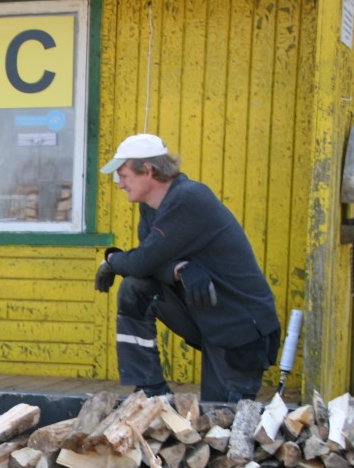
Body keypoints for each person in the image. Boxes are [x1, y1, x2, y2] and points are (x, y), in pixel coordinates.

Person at [95, 133, 281, 402]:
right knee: (136, 288)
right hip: (206, 313)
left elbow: (142, 261)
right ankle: (151, 391)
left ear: (147, 170)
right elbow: (146, 267)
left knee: (221, 421)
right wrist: (179, 269)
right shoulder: (150, 207)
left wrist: (111, 261)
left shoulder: (188, 198)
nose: (120, 184)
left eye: (123, 176)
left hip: (240, 328)